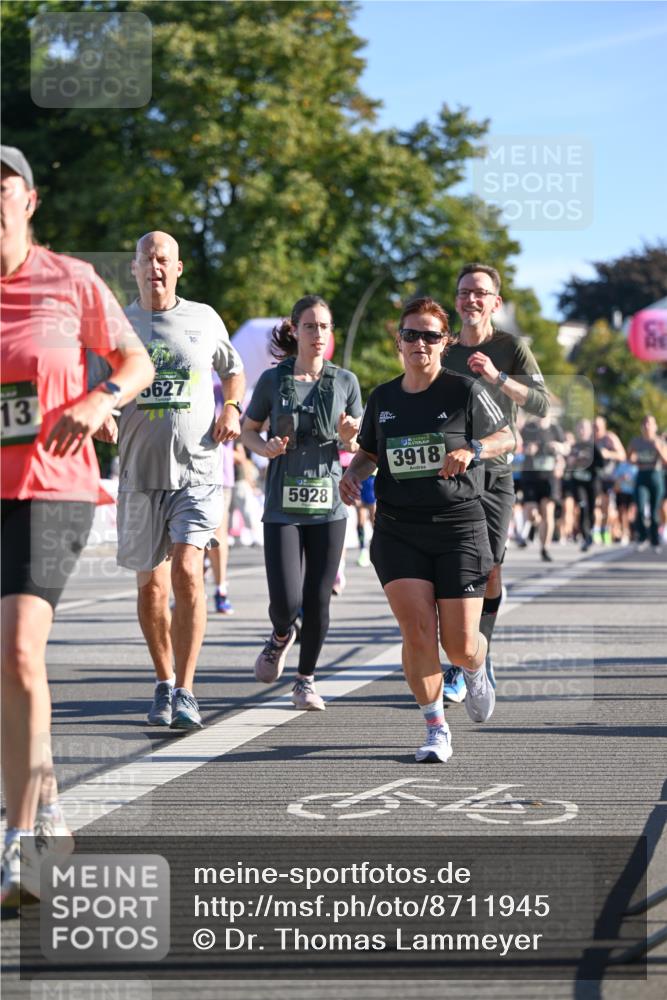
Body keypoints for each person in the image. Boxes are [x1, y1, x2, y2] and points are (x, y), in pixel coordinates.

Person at [0, 146, 154, 908]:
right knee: (6, 670)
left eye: (2, 188)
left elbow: (135, 360)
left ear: (29, 200)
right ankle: (51, 807)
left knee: (20, 652)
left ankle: (21, 844)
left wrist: (102, 401)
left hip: (52, 484)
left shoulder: (71, 280)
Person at [340, 296, 513, 763]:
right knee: (417, 631)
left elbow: (508, 437)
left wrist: (473, 449)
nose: (420, 343)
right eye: (411, 334)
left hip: (458, 527)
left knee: (458, 645)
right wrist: (353, 474)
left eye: (431, 335)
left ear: (445, 342)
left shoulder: (464, 391)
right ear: (399, 341)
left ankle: (476, 667)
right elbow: (370, 453)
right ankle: (435, 727)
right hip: (398, 529)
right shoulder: (384, 398)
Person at [91, 231, 245, 730]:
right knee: (151, 590)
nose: (155, 267)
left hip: (197, 470)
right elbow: (91, 384)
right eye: (146, 260)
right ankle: (162, 680)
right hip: (139, 475)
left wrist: (231, 405)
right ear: (133, 269)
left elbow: (234, 370)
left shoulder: (204, 318)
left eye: (164, 260)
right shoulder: (118, 324)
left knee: (187, 571)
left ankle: (186, 689)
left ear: (178, 269)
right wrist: (98, 415)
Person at [240, 295, 362, 710]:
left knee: (318, 599)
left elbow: (360, 441)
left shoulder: (345, 381)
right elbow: (248, 430)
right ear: (295, 330)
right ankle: (279, 635)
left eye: (324, 327)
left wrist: (349, 436)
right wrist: (266, 448)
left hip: (329, 506)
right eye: (310, 326)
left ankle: (305, 680)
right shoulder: (274, 381)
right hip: (282, 507)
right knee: (286, 601)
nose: (318, 335)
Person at [442, 263, 549, 699]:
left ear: (495, 303)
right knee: (453, 567)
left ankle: (478, 652)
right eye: (465, 291)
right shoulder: (441, 348)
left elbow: (541, 403)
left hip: (496, 472)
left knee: (489, 568)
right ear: (456, 300)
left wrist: (497, 378)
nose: (472, 299)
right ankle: (458, 663)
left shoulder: (511, 348)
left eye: (480, 293)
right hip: (451, 470)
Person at [627, 415, 667, 551]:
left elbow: (666, 462)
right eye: (644, 424)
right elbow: (629, 458)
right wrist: (634, 459)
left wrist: (659, 449)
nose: (647, 426)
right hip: (641, 475)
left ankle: (655, 541)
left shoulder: (660, 441)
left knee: (655, 509)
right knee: (640, 506)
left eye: (650, 424)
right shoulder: (636, 442)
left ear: (655, 426)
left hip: (655, 475)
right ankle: (642, 537)